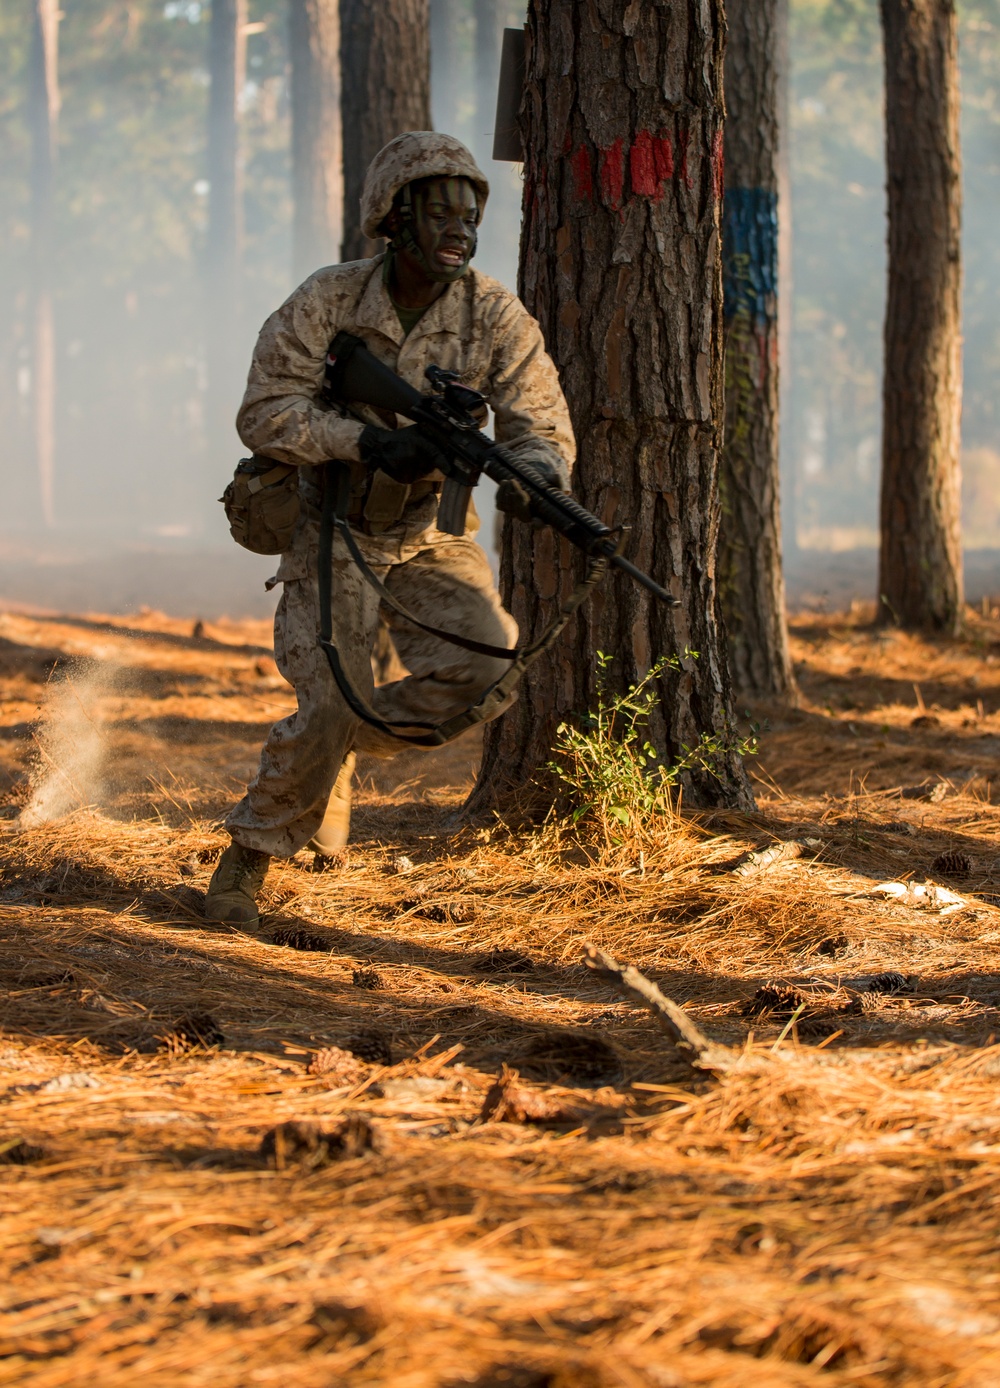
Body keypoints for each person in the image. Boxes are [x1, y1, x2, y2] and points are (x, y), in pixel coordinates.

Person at [205, 131, 575, 927]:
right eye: (439, 211)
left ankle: (330, 748)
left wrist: (537, 473)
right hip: (331, 525)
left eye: (471, 214)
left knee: (491, 669)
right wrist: (366, 441)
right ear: (393, 216)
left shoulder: (494, 316)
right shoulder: (330, 300)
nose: (459, 229)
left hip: (430, 535)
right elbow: (263, 411)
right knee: (332, 699)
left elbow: (538, 418)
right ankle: (250, 855)